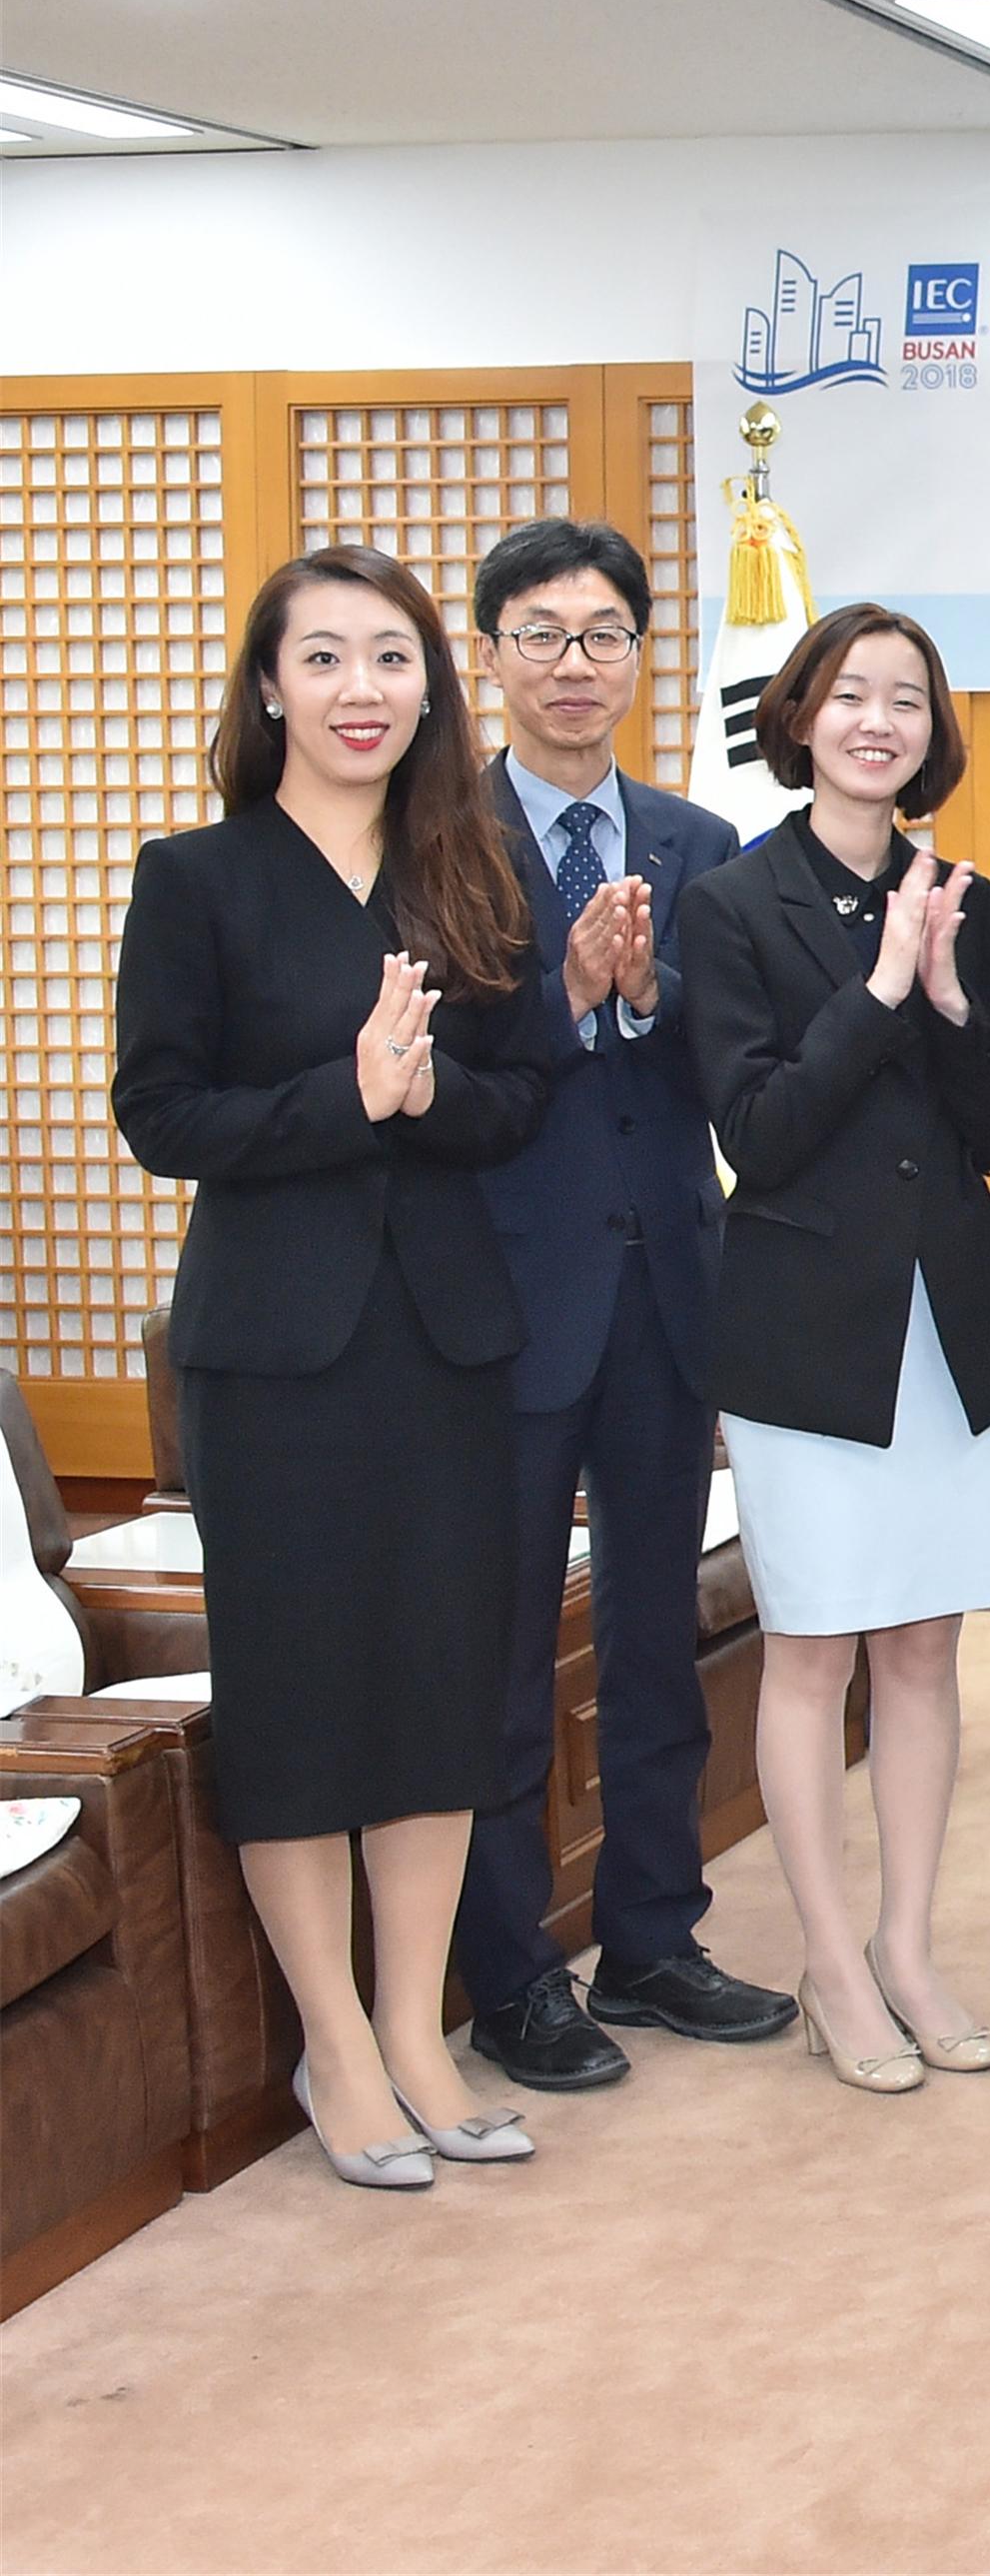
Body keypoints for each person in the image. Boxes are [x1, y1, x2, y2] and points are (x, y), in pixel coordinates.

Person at [111, 547, 556, 2186]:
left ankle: (419, 2030)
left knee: (438, 1690)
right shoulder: (197, 877)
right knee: (301, 1699)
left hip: (443, 1347)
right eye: (324, 658)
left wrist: (430, 1097)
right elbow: (160, 1113)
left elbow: (527, 1095)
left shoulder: (475, 870)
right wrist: (343, 1100)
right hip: (275, 1359)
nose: (361, 688)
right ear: (269, 689)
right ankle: (338, 2048)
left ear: (430, 688)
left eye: (390, 656)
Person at [454, 517, 796, 2092]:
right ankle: (512, 1973)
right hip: (503, 1301)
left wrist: (654, 995)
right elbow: (440, 1070)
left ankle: (654, 1938)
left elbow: (735, 1066)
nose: (574, 664)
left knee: (660, 1640)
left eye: (603, 635)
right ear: (492, 656)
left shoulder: (695, 838)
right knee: (507, 1652)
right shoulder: (439, 841)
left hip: (667, 1288)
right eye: (541, 634)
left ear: (643, 659)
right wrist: (568, 993)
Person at [679, 607, 990, 2093]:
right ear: (801, 719)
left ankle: (906, 1947)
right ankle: (830, 1965)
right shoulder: (728, 902)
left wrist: (946, 995)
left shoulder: (964, 897)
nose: (879, 721)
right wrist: (880, 989)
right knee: (813, 1647)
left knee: (924, 1646)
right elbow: (757, 1132)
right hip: (804, 1335)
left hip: (946, 1328)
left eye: (906, 699)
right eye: (850, 695)